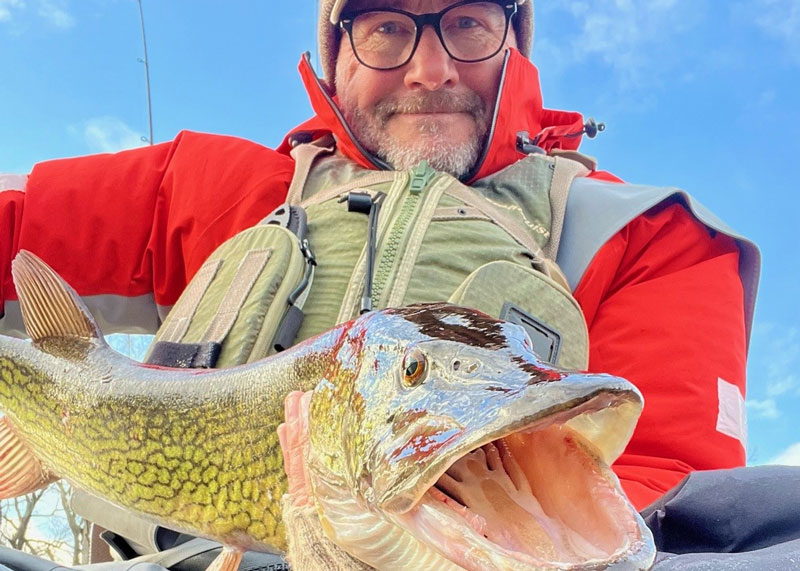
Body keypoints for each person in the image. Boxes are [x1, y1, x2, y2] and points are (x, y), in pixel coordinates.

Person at [2, 1, 793, 570]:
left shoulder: (651, 234)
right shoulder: (215, 184)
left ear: (516, 41)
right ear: (338, 49)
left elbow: (661, 505)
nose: (430, 67)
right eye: (386, 25)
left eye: (467, 22)